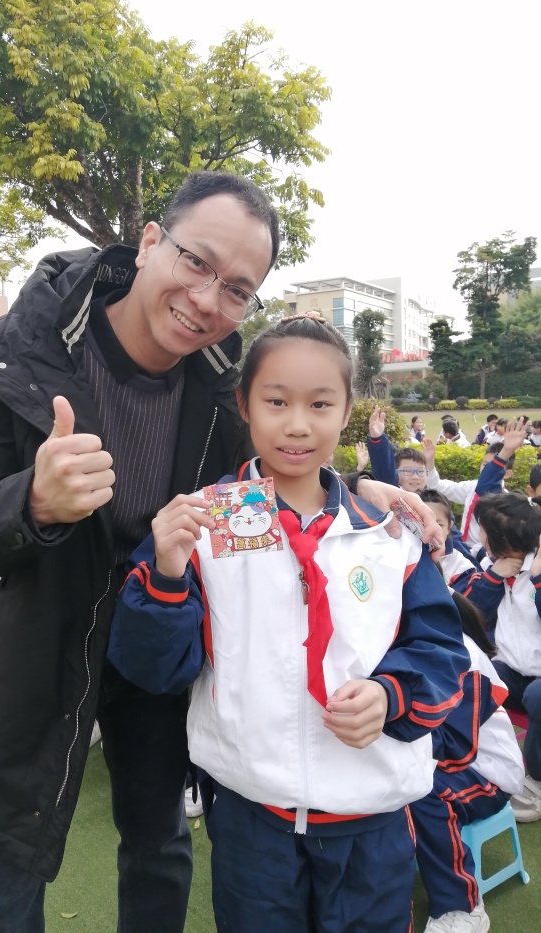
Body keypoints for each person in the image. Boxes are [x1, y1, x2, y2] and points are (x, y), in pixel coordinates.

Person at [0, 171, 443, 933]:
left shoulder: (222, 383)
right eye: (196, 261)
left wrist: (356, 485)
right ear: (149, 241)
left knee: (160, 843)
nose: (206, 299)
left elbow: (269, 466)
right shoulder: (14, 350)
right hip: (34, 645)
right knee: (9, 863)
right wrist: (31, 501)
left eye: (236, 289)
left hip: (160, 649)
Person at [108, 315, 469, 933]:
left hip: (372, 817)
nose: (297, 424)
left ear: (347, 411)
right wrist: (166, 575)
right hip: (252, 818)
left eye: (320, 404)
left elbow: (441, 651)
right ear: (244, 405)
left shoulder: (389, 536)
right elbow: (153, 669)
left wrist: (391, 695)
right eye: (276, 401)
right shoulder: (203, 527)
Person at [411, 591, 524, 933]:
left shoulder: (458, 652)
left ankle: (463, 907)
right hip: (451, 759)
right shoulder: (404, 640)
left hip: (486, 770)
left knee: (420, 789)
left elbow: (454, 744)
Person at [473, 492, 541, 822]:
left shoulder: (537, 569)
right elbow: (472, 614)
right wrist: (493, 577)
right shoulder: (492, 565)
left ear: (505, 541)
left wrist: (539, 581)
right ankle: (479, 762)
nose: (479, 535)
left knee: (537, 696)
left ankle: (536, 783)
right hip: (513, 669)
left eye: (484, 530)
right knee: (473, 679)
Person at [422, 418, 528, 562]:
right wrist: (429, 462)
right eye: (484, 464)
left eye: (492, 466)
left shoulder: (505, 502)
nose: (486, 469)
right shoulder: (471, 487)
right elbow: (438, 486)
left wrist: (507, 451)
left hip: (487, 555)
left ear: (508, 474)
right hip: (463, 550)